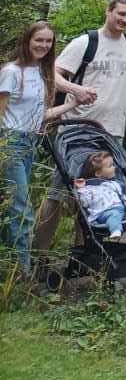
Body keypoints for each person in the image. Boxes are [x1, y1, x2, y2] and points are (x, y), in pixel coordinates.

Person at [35, 0, 126, 254]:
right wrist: (75, 90)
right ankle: (38, 254)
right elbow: (52, 74)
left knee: (98, 198)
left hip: (112, 134)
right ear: (108, 12)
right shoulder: (86, 42)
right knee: (57, 194)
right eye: (121, 13)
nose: (125, 19)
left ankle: (86, 253)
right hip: (76, 132)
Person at [1, 21, 72, 270]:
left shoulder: (42, 72)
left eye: (48, 41)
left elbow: (41, 114)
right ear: (27, 41)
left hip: (31, 142)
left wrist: (73, 103)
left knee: (12, 207)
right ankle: (23, 273)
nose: (43, 45)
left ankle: (9, 265)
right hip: (11, 142)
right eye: (38, 40)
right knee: (22, 210)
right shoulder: (12, 72)